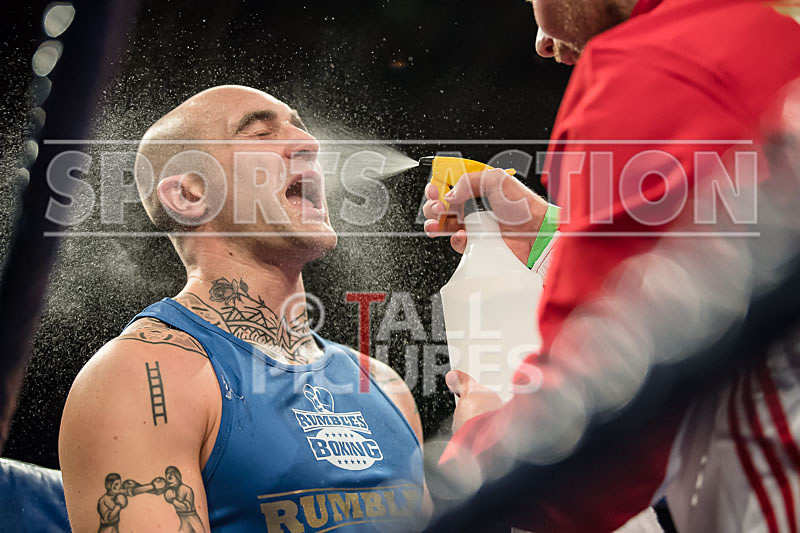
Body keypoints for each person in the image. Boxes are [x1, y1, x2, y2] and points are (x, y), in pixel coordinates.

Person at [423, 0, 800, 531]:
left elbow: (598, 456)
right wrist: (552, 238)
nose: (541, 42)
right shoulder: (762, 37)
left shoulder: (656, 63)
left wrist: (476, 435)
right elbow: (720, 272)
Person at [59, 85, 428, 533]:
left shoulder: (385, 386)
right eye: (260, 134)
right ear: (190, 195)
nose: (309, 143)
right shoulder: (142, 377)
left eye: (299, 127)